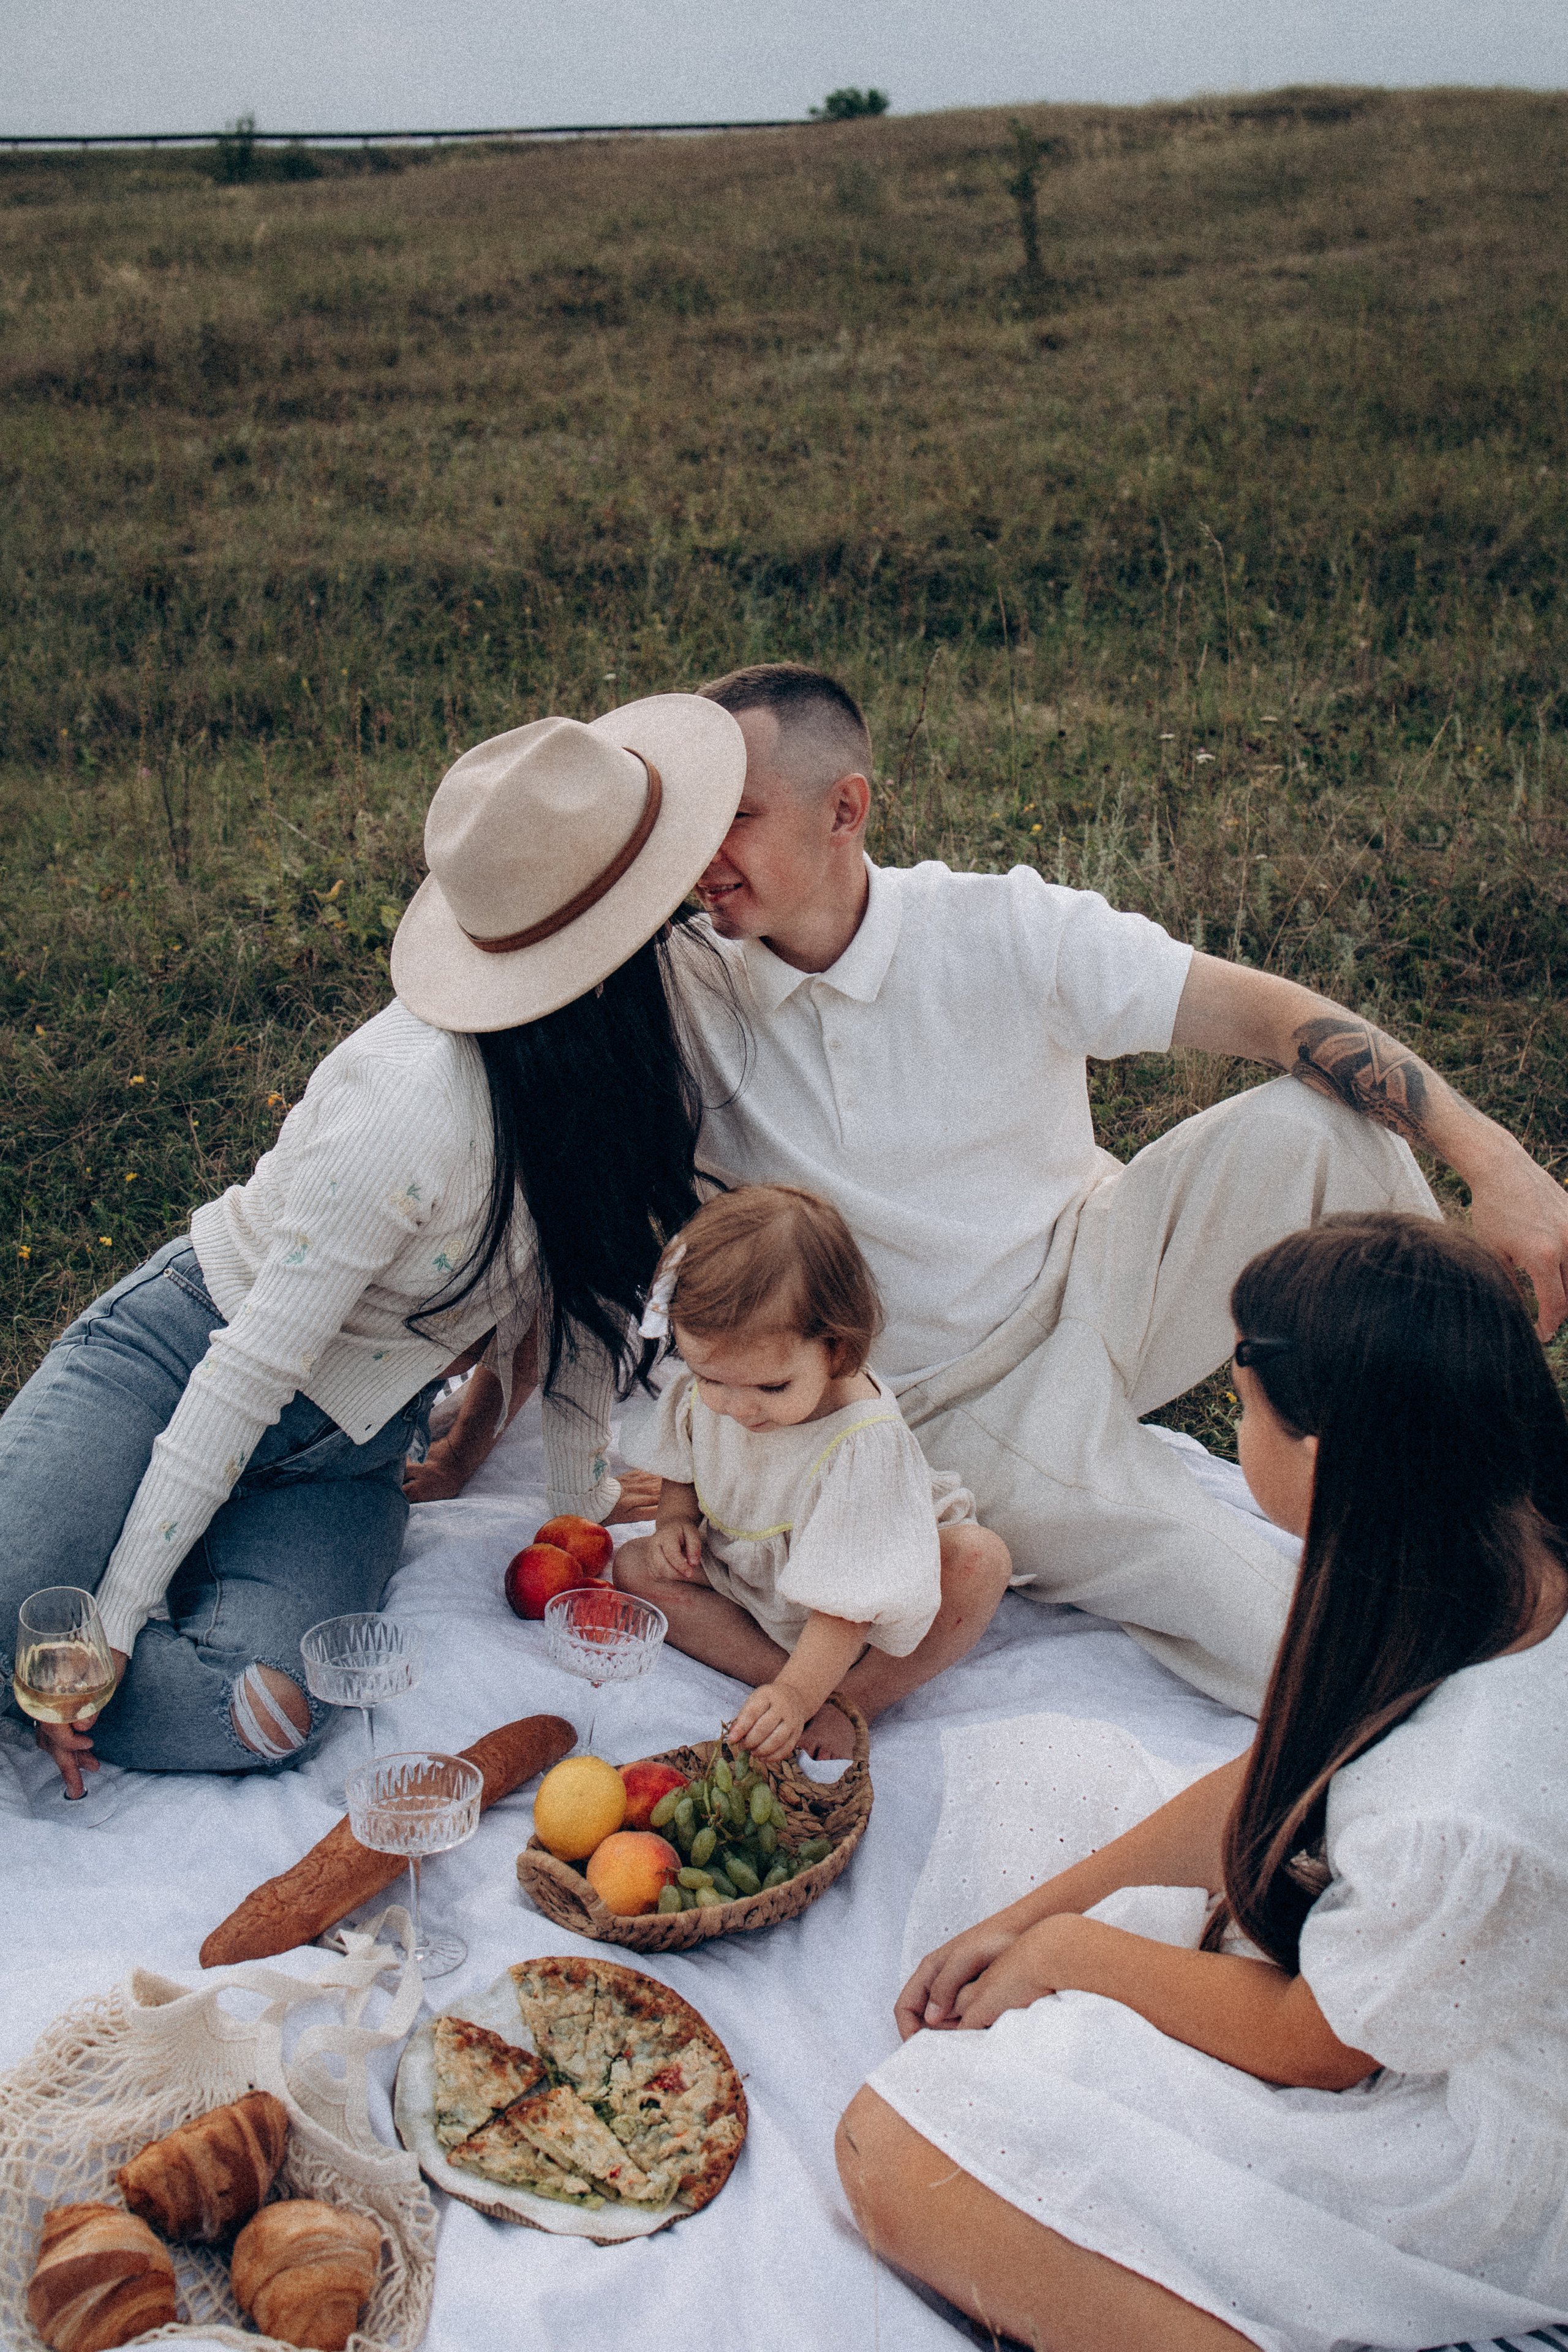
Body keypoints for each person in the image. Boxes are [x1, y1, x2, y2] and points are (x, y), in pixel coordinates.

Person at [673, 660, 1568, 1713]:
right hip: (958, 1405)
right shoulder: (675, 986)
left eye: (735, 817)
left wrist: (1503, 1166)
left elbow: (1276, 1018)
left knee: (1322, 1120)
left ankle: (1482, 1480)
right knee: (1305, 1651)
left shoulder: (996, 924)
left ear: (846, 809)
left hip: (1102, 1264)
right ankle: (1471, 1701)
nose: (704, 855)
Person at [837, 1211, 1568, 2352]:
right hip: (1425, 1996)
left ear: (1326, 1455)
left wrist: (1070, 1955)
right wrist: (1043, 1911)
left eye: (1241, 1409)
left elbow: (1317, 2050)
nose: (1231, 1433)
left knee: (897, 2148)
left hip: (1475, 2158)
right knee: (1048, 1787)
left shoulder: (1462, 1800)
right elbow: (1290, 1776)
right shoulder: (1493, 1551)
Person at [0, 696, 747, 1792]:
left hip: (341, 1456)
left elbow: (586, 1315)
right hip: (181, 1361)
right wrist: (109, 1625)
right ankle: (80, 1619)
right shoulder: (413, 1103)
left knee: (263, 1715)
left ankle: (64, 1651)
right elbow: (244, 1369)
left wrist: (576, 1526)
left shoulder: (622, 1071)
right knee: (25, 1591)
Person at [613, 1185, 1012, 1758]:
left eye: (771, 1387)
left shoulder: (861, 1444)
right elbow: (689, 1450)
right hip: (758, 1583)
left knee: (979, 1562)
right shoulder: (730, 1382)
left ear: (837, 1349)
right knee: (633, 1568)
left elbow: (849, 1602)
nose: (738, 1407)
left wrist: (800, 1694)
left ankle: (853, 1698)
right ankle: (790, 1677)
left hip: (863, 1601)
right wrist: (675, 1517)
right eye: (709, 1378)